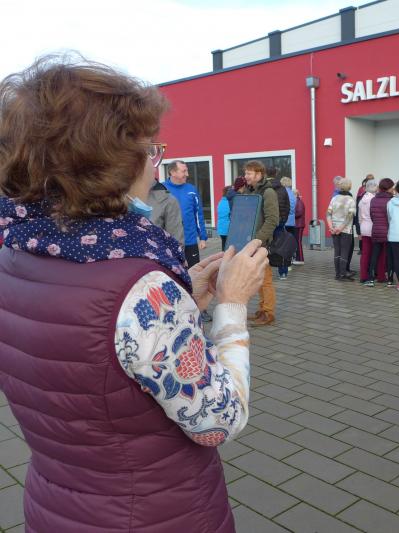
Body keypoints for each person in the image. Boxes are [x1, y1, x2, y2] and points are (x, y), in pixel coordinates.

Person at [0, 56, 268, 532]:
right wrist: (231, 306)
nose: (153, 163)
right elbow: (219, 419)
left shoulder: (15, 252)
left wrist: (184, 300)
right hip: (154, 514)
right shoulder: (140, 290)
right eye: (149, 149)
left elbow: (92, 352)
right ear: (109, 163)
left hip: (57, 505)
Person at [243, 160, 279, 325]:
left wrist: (258, 239)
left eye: (249, 173)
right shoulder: (249, 190)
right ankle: (262, 308)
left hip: (260, 243)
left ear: (259, 174)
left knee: (265, 279)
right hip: (250, 241)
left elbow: (272, 220)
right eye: (245, 173)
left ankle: (268, 312)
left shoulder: (268, 192)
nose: (246, 176)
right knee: (258, 277)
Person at [164, 160, 207, 266]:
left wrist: (202, 237)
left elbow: (198, 215)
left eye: (187, 171)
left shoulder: (191, 190)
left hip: (190, 241)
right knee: (173, 273)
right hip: (169, 242)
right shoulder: (162, 189)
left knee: (193, 272)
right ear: (173, 172)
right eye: (184, 171)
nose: (187, 174)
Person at [326, 176, 357, 280]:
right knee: (344, 251)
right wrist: (341, 228)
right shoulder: (351, 200)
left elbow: (328, 214)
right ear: (349, 187)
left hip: (334, 229)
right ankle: (343, 273)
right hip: (346, 230)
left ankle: (337, 274)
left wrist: (331, 227)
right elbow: (349, 216)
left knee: (337, 251)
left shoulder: (334, 198)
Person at [359, 178, 387, 285]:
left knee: (365, 253)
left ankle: (363, 276)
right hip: (374, 228)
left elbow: (360, 217)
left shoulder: (362, 200)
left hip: (364, 228)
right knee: (380, 253)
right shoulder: (374, 199)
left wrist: (360, 230)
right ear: (375, 187)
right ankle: (380, 275)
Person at [368, 178, 395, 286]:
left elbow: (372, 216)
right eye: (392, 187)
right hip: (389, 232)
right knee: (389, 256)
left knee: (374, 255)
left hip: (376, 230)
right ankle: (390, 280)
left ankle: (370, 279)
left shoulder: (373, 200)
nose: (393, 189)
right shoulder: (392, 201)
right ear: (388, 188)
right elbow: (392, 218)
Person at [148, 177, 184, 243]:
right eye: (183, 172)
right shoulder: (127, 198)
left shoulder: (168, 199)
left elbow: (176, 241)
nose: (187, 174)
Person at [280, 177, 296, 277]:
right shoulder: (293, 194)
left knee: (283, 244)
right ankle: (290, 262)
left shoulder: (283, 193)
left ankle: (285, 264)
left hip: (285, 222)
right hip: (292, 222)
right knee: (289, 243)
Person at [294, 189, 306, 264]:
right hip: (297, 225)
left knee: (298, 242)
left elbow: (299, 213)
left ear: (296, 194)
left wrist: (291, 215)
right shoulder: (297, 201)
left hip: (299, 225)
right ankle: (297, 258)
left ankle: (301, 259)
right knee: (296, 242)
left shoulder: (299, 202)